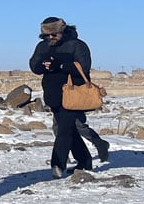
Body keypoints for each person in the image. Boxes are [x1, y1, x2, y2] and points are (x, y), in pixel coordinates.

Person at [29, 16, 95, 177]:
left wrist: (61, 65)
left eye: (54, 34)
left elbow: (84, 67)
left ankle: (57, 164)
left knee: (64, 129)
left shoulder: (77, 45)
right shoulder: (42, 46)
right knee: (69, 129)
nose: (51, 38)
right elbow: (34, 66)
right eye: (47, 35)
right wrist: (43, 65)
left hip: (74, 94)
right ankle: (84, 160)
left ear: (62, 31)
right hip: (53, 94)